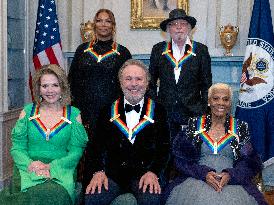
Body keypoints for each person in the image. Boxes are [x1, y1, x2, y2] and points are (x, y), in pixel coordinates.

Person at [163, 83, 267, 205]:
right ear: (209, 101)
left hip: (232, 182)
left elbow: (250, 162)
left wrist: (230, 175)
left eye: (225, 99)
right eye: (216, 98)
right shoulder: (194, 124)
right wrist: (204, 174)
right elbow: (181, 161)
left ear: (230, 103)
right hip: (197, 178)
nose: (220, 103)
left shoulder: (239, 127)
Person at [84, 59, 170, 205]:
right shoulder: (107, 111)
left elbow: (164, 148)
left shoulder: (159, 111)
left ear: (147, 82)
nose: (134, 84)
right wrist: (98, 171)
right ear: (120, 82)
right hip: (112, 175)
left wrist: (153, 172)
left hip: (144, 175)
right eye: (128, 79)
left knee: (151, 199)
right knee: (93, 197)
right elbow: (95, 147)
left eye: (139, 79)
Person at [0, 64, 88, 205]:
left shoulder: (74, 114)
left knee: (52, 194)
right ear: (38, 89)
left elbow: (76, 151)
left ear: (62, 88)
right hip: (28, 169)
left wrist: (51, 167)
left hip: (61, 170)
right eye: (45, 86)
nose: (50, 90)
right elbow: (17, 148)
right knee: (31, 195)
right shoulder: (27, 112)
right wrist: (31, 164)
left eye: (55, 85)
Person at [148, 8, 212, 141]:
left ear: (189, 28)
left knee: (191, 154)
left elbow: (207, 84)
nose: (178, 28)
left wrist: (204, 110)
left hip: (193, 114)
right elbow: (150, 82)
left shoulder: (201, 50)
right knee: (167, 153)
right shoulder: (158, 50)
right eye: (173, 24)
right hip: (165, 113)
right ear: (168, 29)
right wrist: (155, 105)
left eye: (182, 24)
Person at [68, 8, 132, 139]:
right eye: (99, 21)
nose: (103, 24)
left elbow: (129, 85)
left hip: (113, 112)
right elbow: (72, 81)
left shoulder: (123, 53)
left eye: (108, 21)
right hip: (83, 112)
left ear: (113, 26)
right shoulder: (82, 50)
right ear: (94, 25)